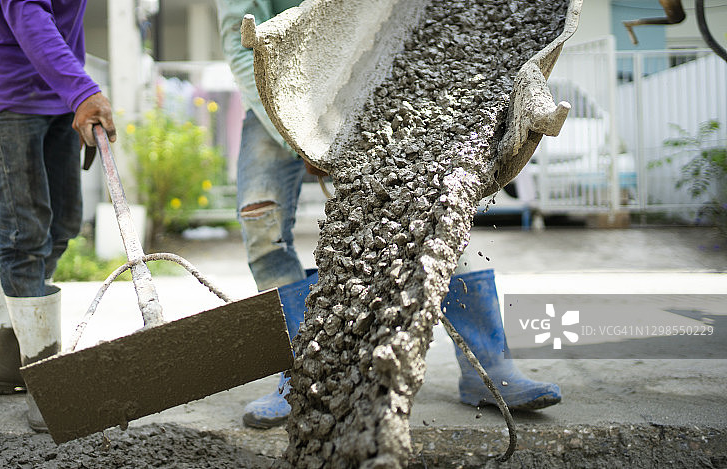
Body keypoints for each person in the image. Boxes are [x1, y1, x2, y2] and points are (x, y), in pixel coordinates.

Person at [216, 0, 561, 429]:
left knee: (432, 200)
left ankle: (489, 368)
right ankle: (300, 377)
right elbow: (239, 44)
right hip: (272, 97)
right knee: (260, 222)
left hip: (365, 83)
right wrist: (295, 134)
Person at [0, 0, 116, 432]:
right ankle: (45, 380)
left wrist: (74, 87)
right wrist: (83, 90)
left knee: (63, 223)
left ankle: (8, 363)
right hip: (3, 89)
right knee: (24, 231)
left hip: (53, 92)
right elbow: (26, 11)